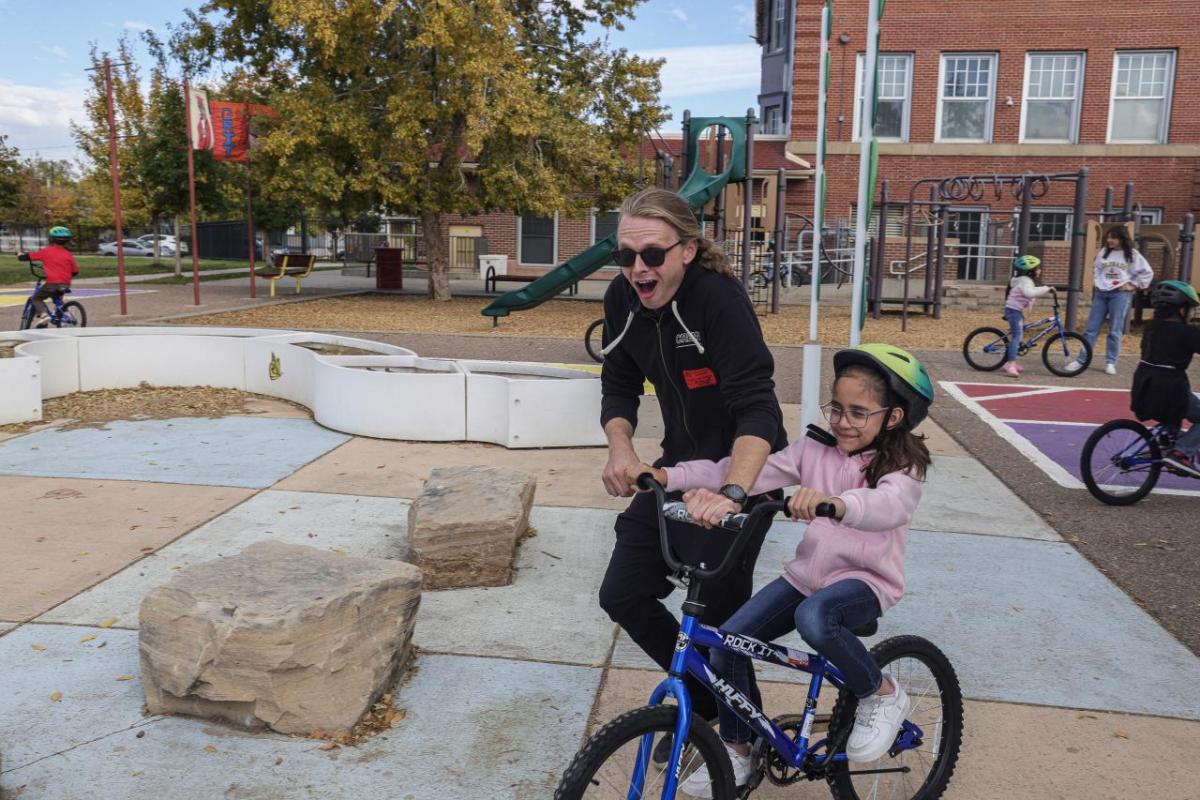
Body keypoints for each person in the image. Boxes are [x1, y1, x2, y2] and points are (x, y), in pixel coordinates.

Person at [630, 343, 933, 796]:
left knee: (816, 618)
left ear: (892, 418)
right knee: (727, 643)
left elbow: (887, 506)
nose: (843, 422)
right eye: (837, 409)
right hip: (806, 576)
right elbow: (748, 471)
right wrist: (672, 477)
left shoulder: (903, 467)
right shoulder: (816, 449)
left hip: (866, 582)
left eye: (858, 413)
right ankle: (739, 750)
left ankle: (881, 691)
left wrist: (837, 504)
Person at [598, 187, 788, 763]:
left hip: (747, 471)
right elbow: (618, 383)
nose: (637, 269)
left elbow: (759, 407)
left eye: (652, 255)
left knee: (721, 622)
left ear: (686, 249)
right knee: (623, 593)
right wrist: (621, 450)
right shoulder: (622, 298)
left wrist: (734, 493)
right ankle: (706, 709)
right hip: (678, 465)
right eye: (625, 255)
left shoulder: (718, 301)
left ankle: (741, 742)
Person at [1130, 280, 1200, 477]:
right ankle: (1180, 454)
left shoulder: (1151, 328)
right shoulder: (1189, 333)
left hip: (1144, 388)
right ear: (1181, 309)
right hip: (1170, 391)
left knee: (1174, 406)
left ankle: (1166, 443)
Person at [1067, 226, 1154, 375]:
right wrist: (1098, 282)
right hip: (1101, 294)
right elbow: (1097, 268)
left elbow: (1147, 272)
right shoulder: (1104, 252)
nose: (1109, 240)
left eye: (1113, 237)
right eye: (1108, 237)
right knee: (1091, 329)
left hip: (1120, 295)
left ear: (1122, 239)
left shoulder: (1132, 254)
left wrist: (1132, 285)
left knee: (1114, 330)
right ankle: (1081, 360)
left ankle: (1111, 362)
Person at [1001, 254, 1056, 377]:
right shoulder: (1025, 281)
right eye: (1037, 268)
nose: (1039, 270)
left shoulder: (1025, 281)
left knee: (1018, 335)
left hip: (1015, 310)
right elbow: (1030, 293)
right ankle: (1010, 364)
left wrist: (1046, 289)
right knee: (1017, 336)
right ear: (1030, 271)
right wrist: (1047, 289)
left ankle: (1010, 362)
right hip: (1014, 311)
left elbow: (1032, 292)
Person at [17, 226, 79, 327]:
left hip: (52, 283)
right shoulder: (68, 254)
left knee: (36, 298)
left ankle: (44, 315)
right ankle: (66, 315)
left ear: (51, 239)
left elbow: (27, 257)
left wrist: (20, 255)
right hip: (66, 283)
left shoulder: (46, 251)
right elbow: (75, 271)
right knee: (58, 299)